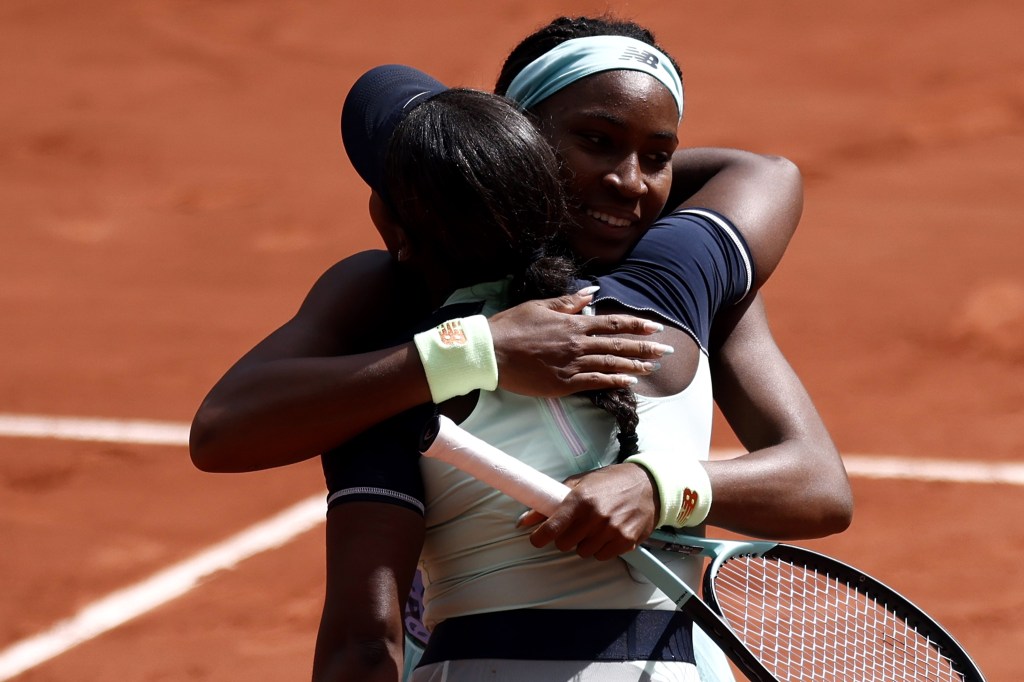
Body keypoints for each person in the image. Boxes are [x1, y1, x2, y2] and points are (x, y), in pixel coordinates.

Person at [313, 18, 849, 680]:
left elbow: (364, 645)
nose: (630, 182)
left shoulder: (385, 356)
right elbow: (764, 173)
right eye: (597, 142)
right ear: (522, 140)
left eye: (657, 157)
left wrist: (654, 486)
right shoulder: (681, 277)